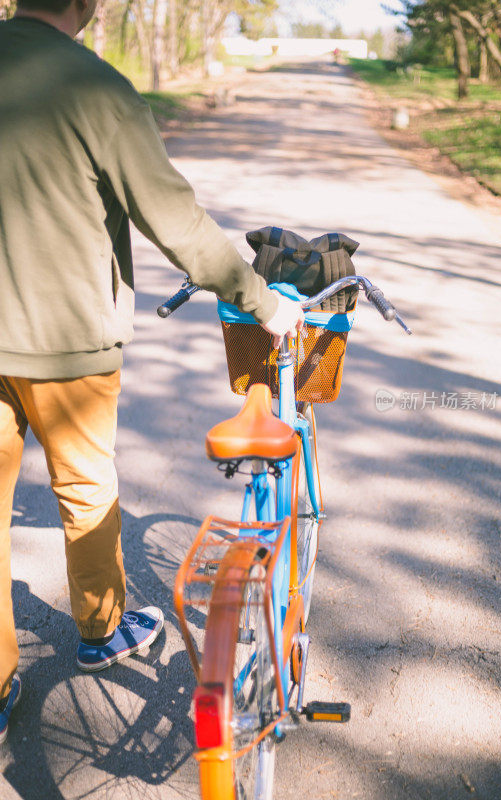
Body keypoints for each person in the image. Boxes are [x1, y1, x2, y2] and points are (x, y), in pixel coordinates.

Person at [0, 0, 304, 743]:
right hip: (63, 338)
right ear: (88, 4)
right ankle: (101, 629)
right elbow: (173, 219)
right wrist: (258, 299)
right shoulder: (95, 88)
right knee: (83, 484)